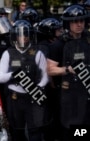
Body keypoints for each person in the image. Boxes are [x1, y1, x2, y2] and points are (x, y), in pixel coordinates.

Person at [0, 19, 49, 141]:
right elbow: (0, 77)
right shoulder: (8, 53)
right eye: (20, 35)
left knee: (35, 130)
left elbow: (45, 76)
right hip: (14, 98)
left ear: (30, 36)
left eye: (26, 35)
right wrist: (13, 75)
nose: (23, 38)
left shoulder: (38, 53)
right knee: (16, 130)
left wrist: (39, 87)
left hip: (33, 96)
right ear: (15, 36)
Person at [47, 4, 90, 141]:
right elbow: (49, 69)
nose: (79, 24)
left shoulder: (88, 40)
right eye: (75, 21)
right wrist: (67, 69)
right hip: (69, 96)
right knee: (72, 131)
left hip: (87, 93)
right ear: (68, 23)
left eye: (81, 21)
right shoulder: (59, 44)